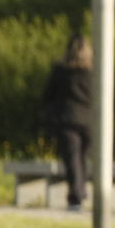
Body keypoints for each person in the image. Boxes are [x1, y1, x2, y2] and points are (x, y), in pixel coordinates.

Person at [40, 34, 94, 211]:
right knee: (83, 158)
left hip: (67, 120)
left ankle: (76, 196)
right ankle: (81, 191)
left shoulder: (60, 71)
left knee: (72, 159)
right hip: (90, 121)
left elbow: (48, 95)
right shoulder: (93, 72)